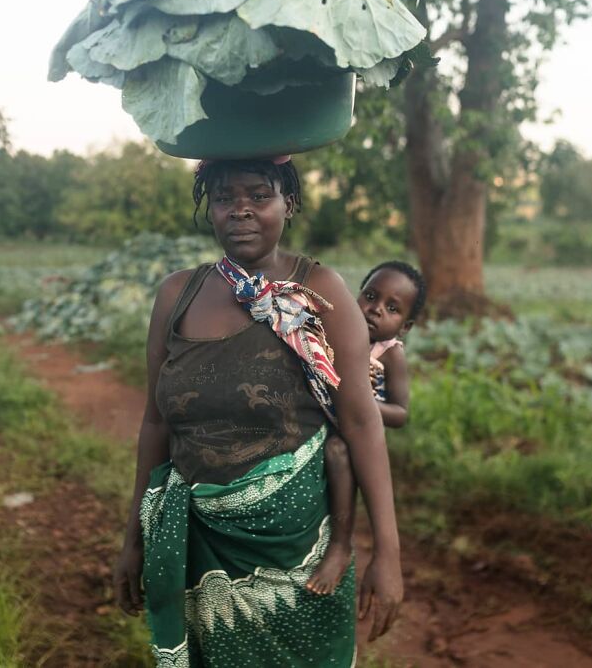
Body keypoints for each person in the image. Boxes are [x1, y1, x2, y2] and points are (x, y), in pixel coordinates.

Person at [113, 157, 403, 667]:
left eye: (258, 196)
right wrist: (134, 537)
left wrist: (388, 551)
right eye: (225, 198)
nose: (240, 211)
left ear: (288, 204)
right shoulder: (178, 295)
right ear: (210, 209)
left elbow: (361, 422)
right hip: (201, 555)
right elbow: (155, 422)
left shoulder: (321, 292)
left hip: (298, 557)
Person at [306, 261, 426, 596]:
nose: (375, 310)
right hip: (325, 418)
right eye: (370, 296)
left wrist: (361, 401)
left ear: (405, 326)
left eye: (391, 308)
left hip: (356, 434)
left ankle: (341, 545)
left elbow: (401, 413)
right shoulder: (338, 333)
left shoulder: (390, 354)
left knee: (338, 453)